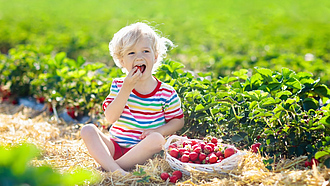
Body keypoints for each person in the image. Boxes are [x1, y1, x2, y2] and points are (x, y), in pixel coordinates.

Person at [80, 22, 184, 175]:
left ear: (155, 57)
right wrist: (126, 88)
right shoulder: (118, 86)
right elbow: (110, 118)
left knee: (157, 139)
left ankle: (111, 168)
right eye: (131, 53)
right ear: (122, 61)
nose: (139, 57)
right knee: (87, 130)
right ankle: (118, 171)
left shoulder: (166, 92)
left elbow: (178, 121)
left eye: (145, 51)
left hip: (143, 152)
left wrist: (157, 130)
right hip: (115, 146)